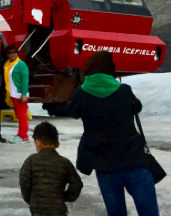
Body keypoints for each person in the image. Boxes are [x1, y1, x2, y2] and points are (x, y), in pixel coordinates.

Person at [65, 51, 159, 216]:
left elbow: (71, 111)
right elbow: (137, 107)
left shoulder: (80, 94)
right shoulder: (124, 91)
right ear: (111, 69)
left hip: (105, 166)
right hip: (134, 161)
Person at [19, 121, 83, 216]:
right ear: (57, 144)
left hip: (37, 208)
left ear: (38, 142)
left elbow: (24, 182)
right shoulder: (64, 162)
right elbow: (77, 184)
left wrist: (31, 199)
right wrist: (65, 197)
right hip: (58, 209)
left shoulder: (31, 161)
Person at [4, 44, 30, 143]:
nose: (12, 54)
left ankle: (23, 135)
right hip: (14, 94)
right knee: (20, 115)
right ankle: (23, 135)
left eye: (14, 52)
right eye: (10, 53)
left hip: (19, 94)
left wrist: (24, 94)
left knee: (22, 116)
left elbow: (25, 80)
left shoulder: (21, 64)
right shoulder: (7, 64)